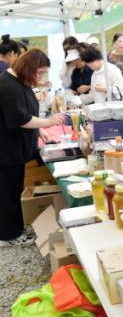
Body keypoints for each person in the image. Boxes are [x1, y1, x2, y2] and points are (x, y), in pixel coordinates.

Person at [0, 49, 65, 247]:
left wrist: (39, 131)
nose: (40, 77)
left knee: (13, 191)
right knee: (7, 194)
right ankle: (8, 236)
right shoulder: (8, 86)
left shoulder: (19, 82)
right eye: (39, 72)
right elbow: (20, 118)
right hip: (6, 151)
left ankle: (14, 229)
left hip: (14, 150)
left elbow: (27, 111)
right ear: (29, 68)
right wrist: (47, 122)